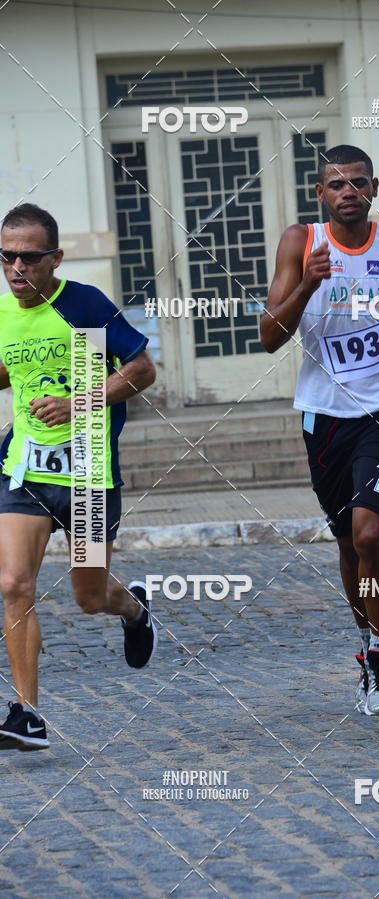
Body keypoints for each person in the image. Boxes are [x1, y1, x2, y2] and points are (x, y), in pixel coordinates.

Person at [261, 145, 379, 715]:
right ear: (320, 194)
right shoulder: (302, 242)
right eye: (336, 184)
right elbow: (271, 335)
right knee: (347, 542)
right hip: (324, 415)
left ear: (374, 188)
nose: (348, 191)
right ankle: (369, 636)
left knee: (370, 535)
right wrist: (307, 286)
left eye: (358, 183)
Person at [0, 203, 157, 751]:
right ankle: (27, 714)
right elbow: (10, 369)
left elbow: (141, 370)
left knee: (88, 596)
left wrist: (77, 402)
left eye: (29, 258)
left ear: (55, 258)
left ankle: (133, 610)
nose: (17, 269)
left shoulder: (83, 306)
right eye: (7, 257)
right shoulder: (3, 315)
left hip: (89, 471)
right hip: (24, 471)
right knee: (14, 584)